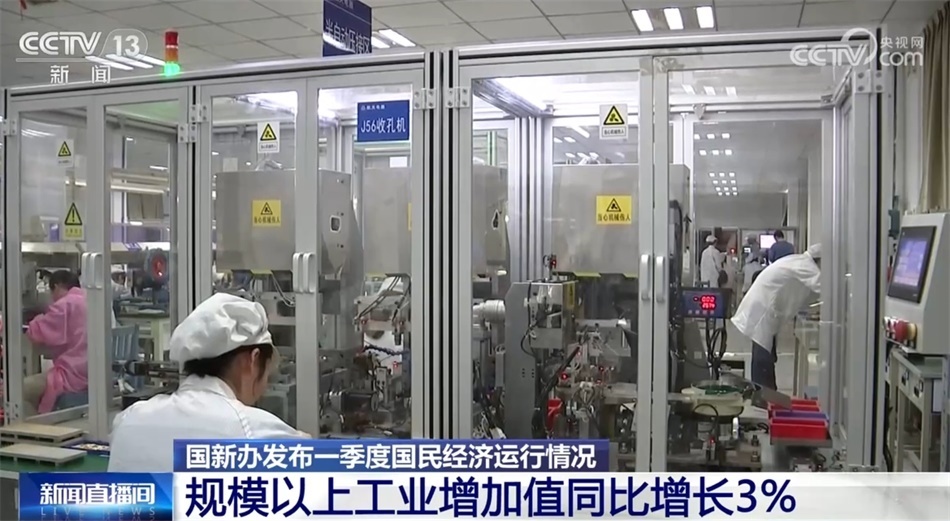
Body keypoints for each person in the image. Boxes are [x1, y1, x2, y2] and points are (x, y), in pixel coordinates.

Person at [108, 293, 308, 472]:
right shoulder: (257, 435)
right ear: (253, 360)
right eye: (267, 371)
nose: (264, 386)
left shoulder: (128, 421)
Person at [731, 244, 821, 390]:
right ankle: (764, 395)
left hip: (764, 308)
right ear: (819, 260)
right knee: (762, 357)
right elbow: (824, 287)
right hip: (764, 310)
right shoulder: (806, 265)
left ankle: (766, 393)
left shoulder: (798, 261)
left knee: (764, 355)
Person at [23, 270, 89, 416]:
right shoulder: (92, 300)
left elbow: (39, 331)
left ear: (57, 286)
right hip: (94, 371)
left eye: (51, 291)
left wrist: (35, 321)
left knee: (20, 390)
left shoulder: (65, 304)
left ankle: (38, 424)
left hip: (73, 374)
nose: (52, 297)